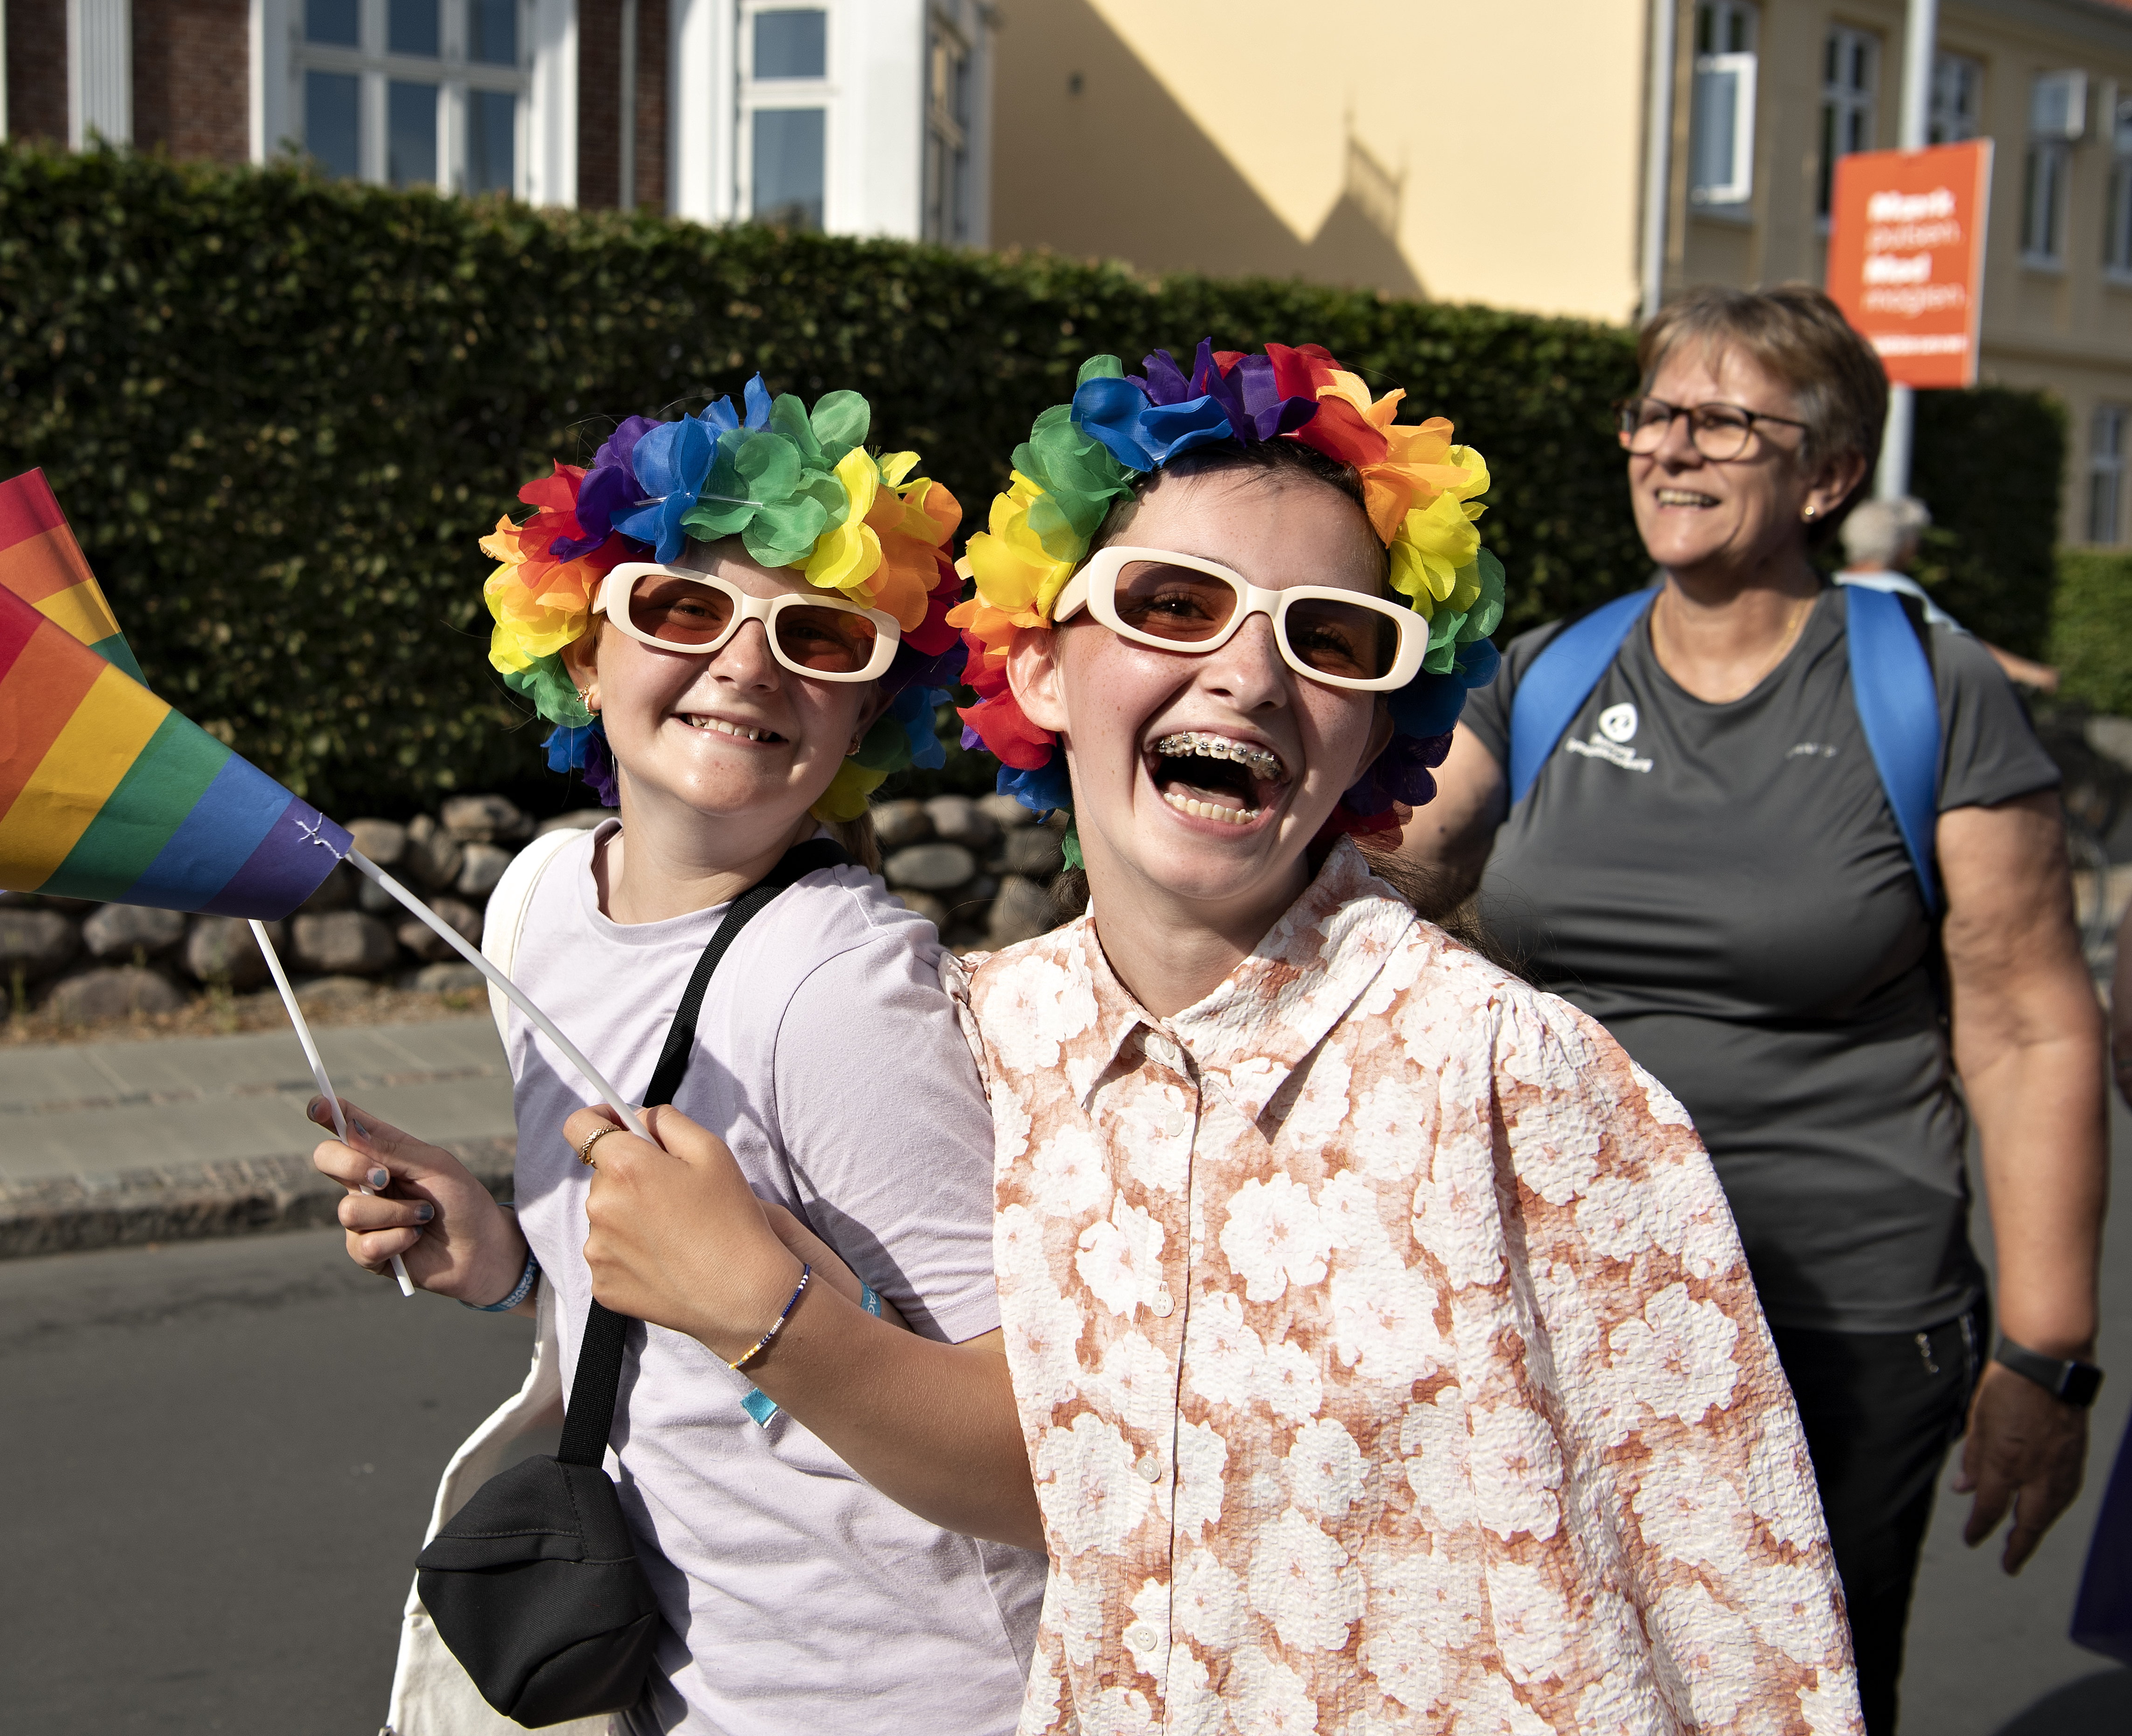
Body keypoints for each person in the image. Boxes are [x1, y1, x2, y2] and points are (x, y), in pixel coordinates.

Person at [570, 341, 1860, 1732]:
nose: (1245, 675)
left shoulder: (1520, 1080)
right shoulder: (964, 1036)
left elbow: (1742, 1625)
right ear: (1039, 667)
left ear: (1376, 727)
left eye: (1328, 637)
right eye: (1171, 605)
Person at [1401, 283, 2108, 1736]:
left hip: (1834, 1317)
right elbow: (1389, 867)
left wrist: (2041, 1352)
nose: (1670, 448)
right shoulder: (1546, 673)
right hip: (1567, 1303)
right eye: (1653, 413)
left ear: (1826, 473)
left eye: (1722, 419)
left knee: (1792, 1705)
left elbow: (2028, 1028)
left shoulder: (1925, 689)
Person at [309, 376, 1045, 1734]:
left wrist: (759, 1310)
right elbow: (659, 1287)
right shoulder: (531, 905)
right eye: (682, 608)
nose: (747, 664)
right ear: (583, 652)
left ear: (859, 712)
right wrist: (512, 1252)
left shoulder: (841, 989)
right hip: (667, 1686)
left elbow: (1031, 1458)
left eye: (816, 635)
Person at [1835, 495, 2058, 692]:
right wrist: (2032, 673)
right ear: (1901, 543)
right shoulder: (1895, 589)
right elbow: (1959, 645)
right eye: (1914, 538)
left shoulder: (1833, 584)